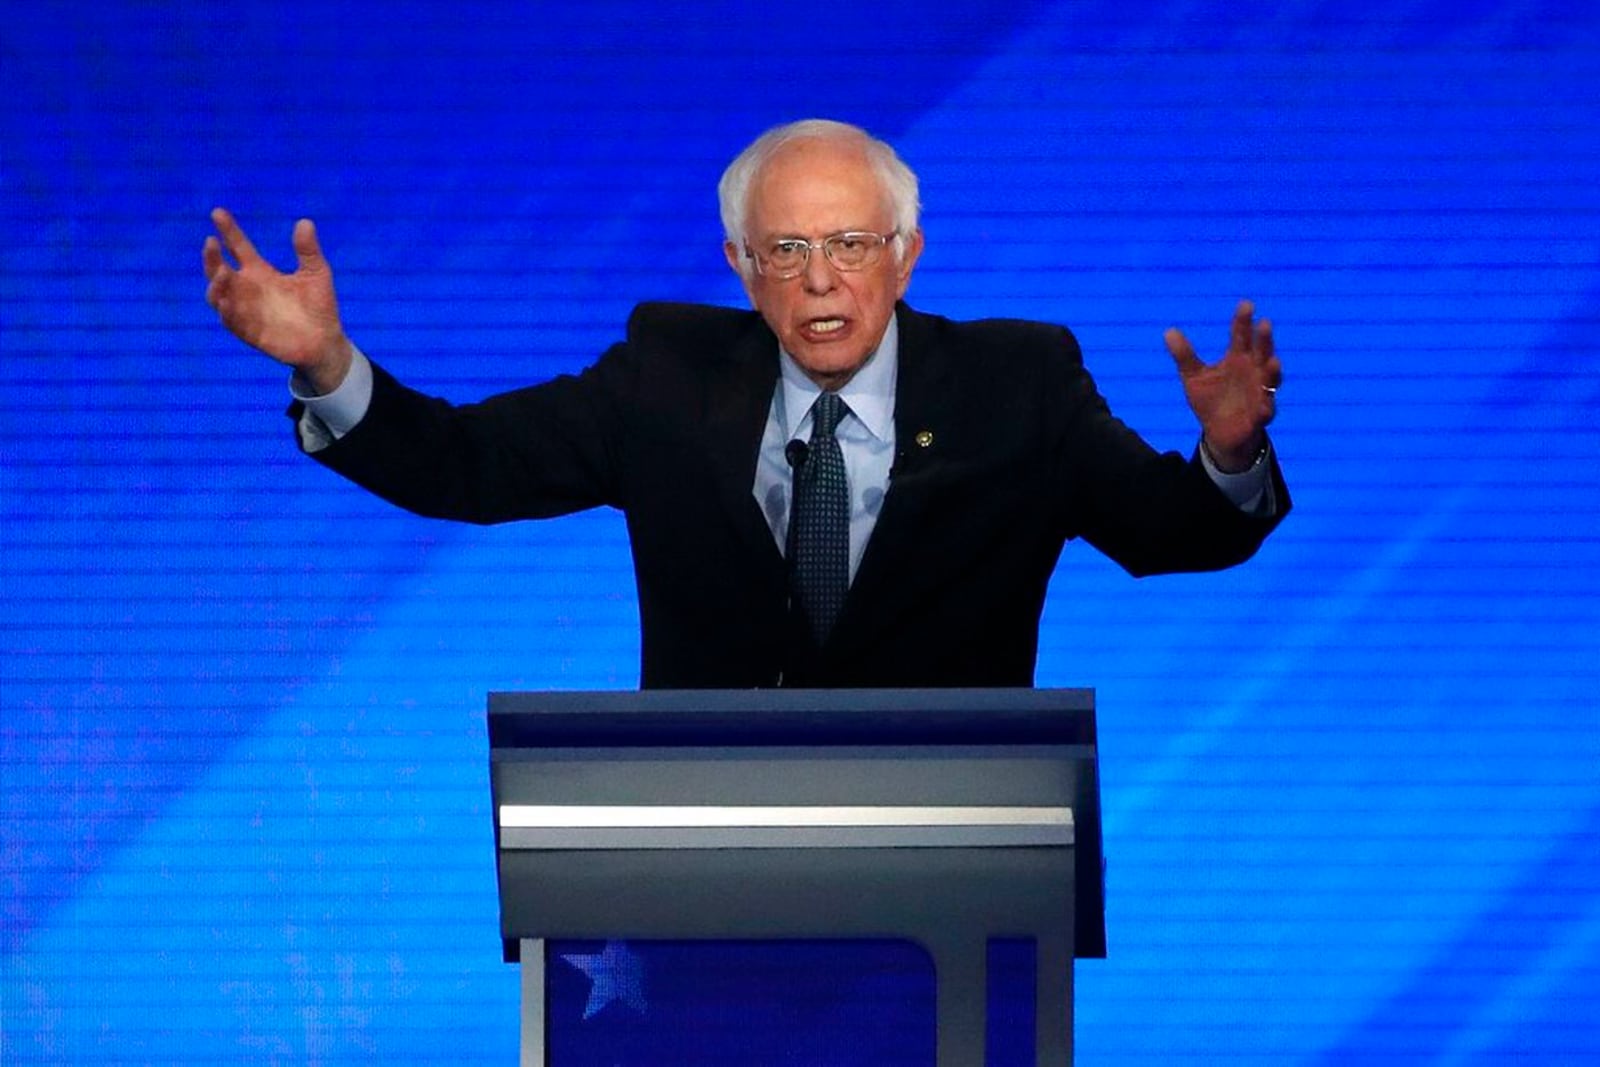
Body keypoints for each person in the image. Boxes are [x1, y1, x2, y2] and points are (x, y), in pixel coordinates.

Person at [203, 118, 1288, 689]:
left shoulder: (1016, 384)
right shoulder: (667, 377)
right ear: (739, 262)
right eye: (787, 249)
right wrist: (330, 361)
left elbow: (1162, 527)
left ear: (905, 256)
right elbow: (468, 463)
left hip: (956, 850)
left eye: (851, 244)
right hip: (701, 845)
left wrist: (1226, 452)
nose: (821, 279)